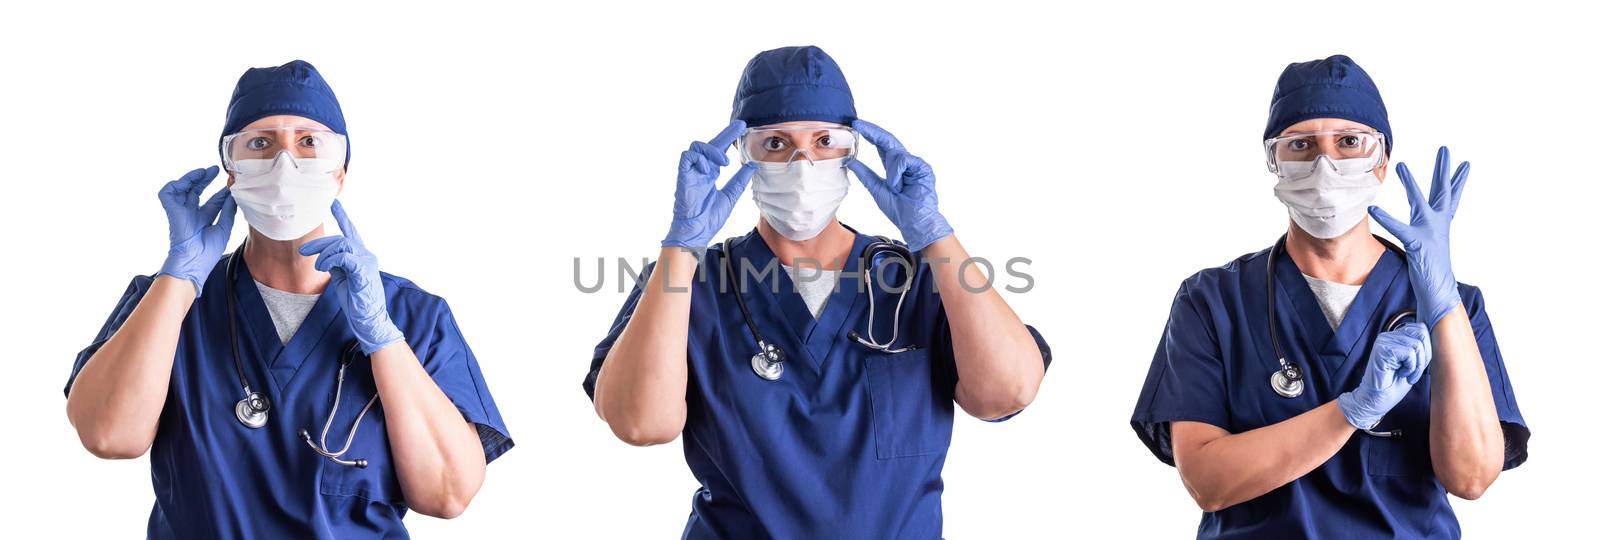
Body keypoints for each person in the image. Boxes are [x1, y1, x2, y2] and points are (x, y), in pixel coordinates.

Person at [584, 46, 1051, 538]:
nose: (803, 164)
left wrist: (935, 235)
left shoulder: (918, 279)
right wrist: (682, 244)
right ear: (742, 153)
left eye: (825, 141)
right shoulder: (687, 285)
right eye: (775, 144)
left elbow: (1008, 390)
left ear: (853, 150)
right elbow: (641, 423)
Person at [63, 60, 513, 539]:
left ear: (340, 171)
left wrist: (384, 340)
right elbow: (110, 436)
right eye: (260, 143)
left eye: (308, 142)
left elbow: (447, 494)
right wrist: (179, 278)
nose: (284, 164)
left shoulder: (413, 316)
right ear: (231, 172)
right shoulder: (166, 305)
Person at [1130, 55, 1529, 538]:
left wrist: (1443, 308)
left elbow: (1470, 477)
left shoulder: (1457, 307)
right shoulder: (1213, 300)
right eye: (1300, 145)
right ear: (1274, 162)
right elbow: (1207, 481)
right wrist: (1351, 410)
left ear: (1380, 161)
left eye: (1349, 142)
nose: (1325, 163)